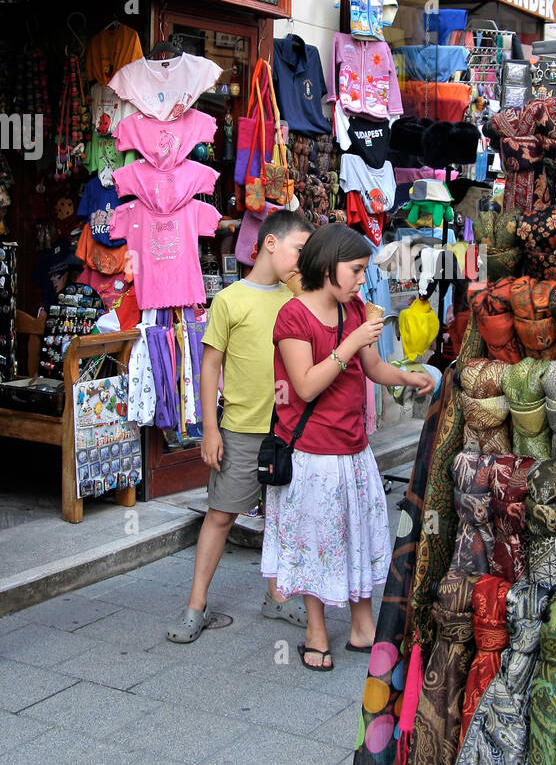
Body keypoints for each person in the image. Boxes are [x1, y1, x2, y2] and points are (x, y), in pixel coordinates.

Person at [265, 223, 435, 670]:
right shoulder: (293, 317)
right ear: (328, 266)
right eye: (356, 270)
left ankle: (363, 626)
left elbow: (373, 367)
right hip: (310, 455)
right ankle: (315, 630)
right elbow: (303, 386)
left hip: (353, 449)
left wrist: (408, 376)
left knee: (356, 534)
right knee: (315, 542)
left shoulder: (355, 308)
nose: (363, 279)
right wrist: (349, 344)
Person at [166, 208, 312, 643]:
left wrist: (300, 286)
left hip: (289, 430)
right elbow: (210, 366)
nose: (303, 261)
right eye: (299, 251)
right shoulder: (231, 299)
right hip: (241, 429)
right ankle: (196, 605)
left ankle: (277, 596)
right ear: (271, 243)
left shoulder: (296, 298)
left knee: (282, 515)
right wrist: (210, 430)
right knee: (222, 514)